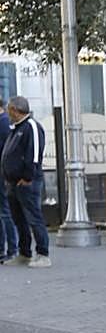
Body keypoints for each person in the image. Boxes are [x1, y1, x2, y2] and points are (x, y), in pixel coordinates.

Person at [1, 96, 51, 267]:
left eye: (9, 110)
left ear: (15, 110)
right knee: (19, 218)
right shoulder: (16, 128)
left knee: (33, 217)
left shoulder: (31, 127)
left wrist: (28, 177)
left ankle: (43, 253)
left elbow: (34, 154)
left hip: (27, 182)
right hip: (13, 182)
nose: (8, 113)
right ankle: (24, 252)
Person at [0, 102, 17, 263]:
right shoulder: (5, 122)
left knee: (5, 212)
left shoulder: (4, 123)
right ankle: (6, 249)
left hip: (2, 175)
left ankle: (12, 249)